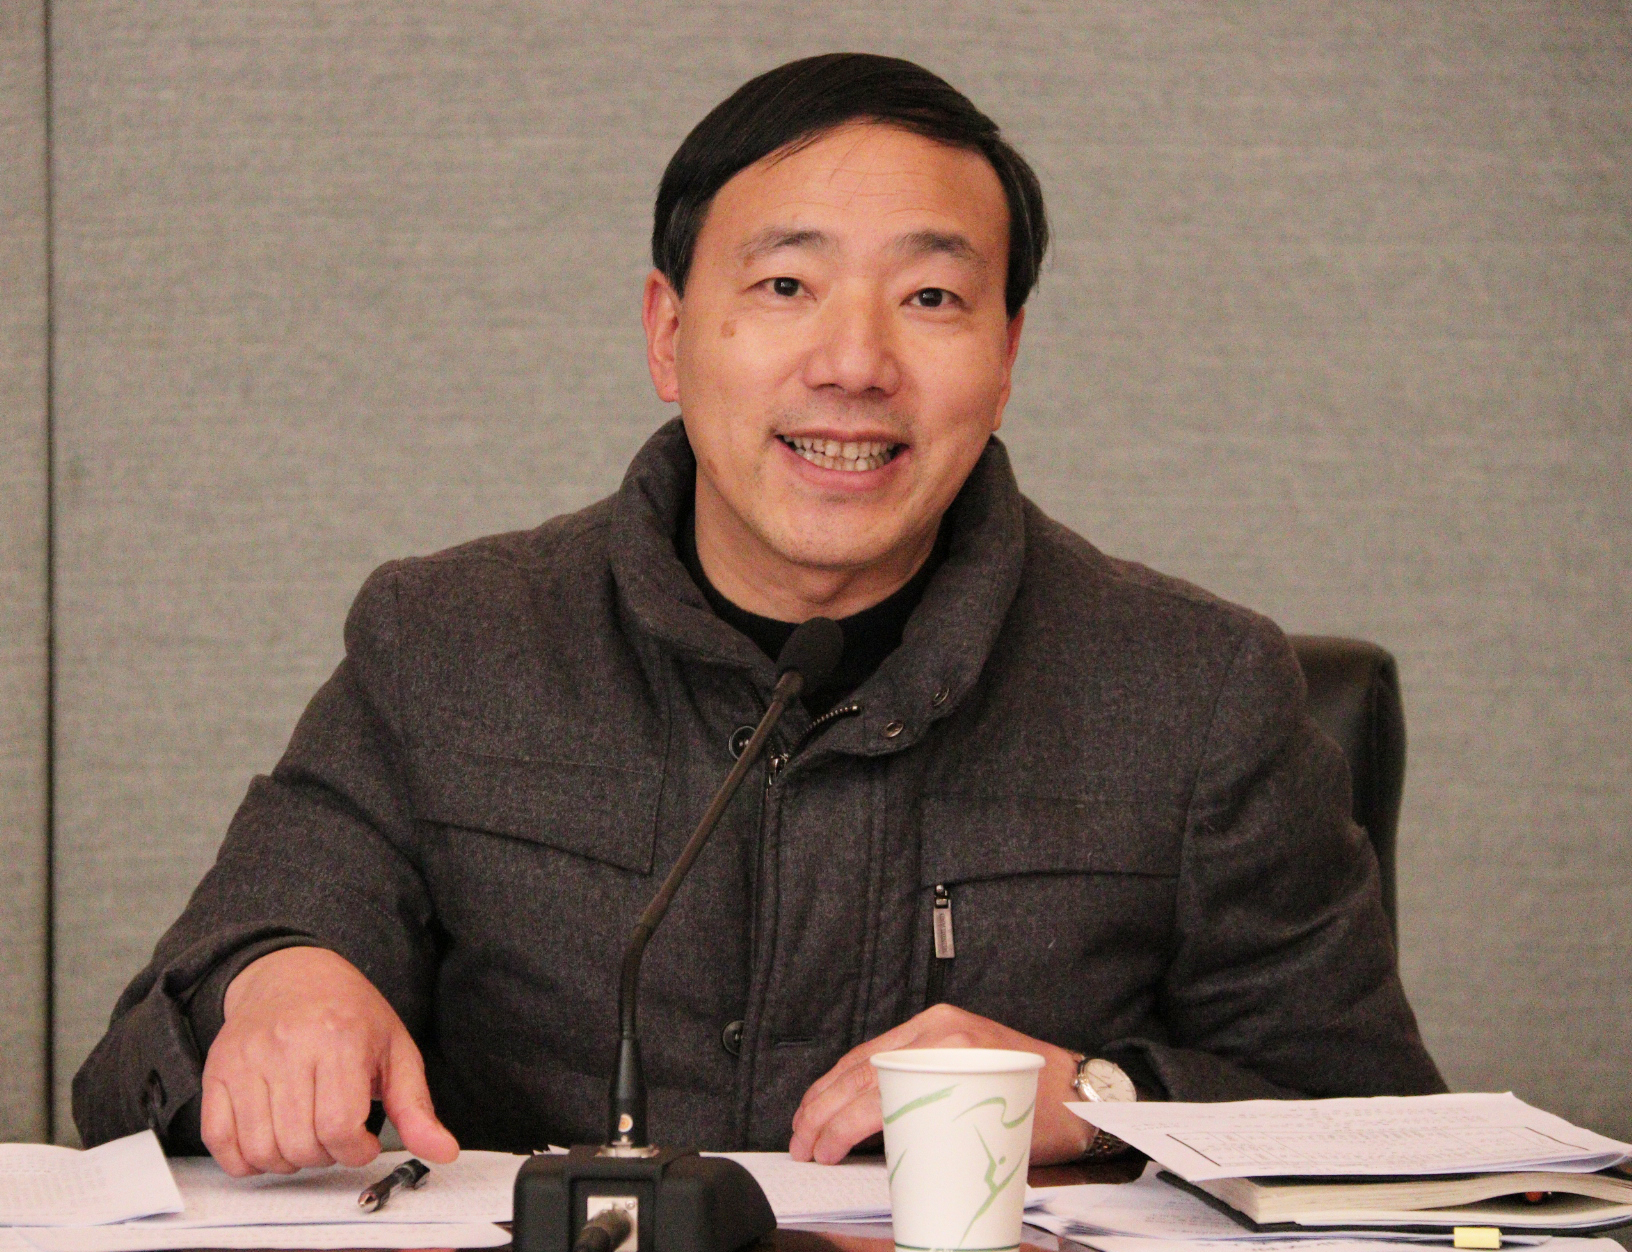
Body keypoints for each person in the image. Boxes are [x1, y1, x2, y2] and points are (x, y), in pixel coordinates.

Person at [73, 52, 1445, 1178]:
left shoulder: (1194, 692)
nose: (854, 363)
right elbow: (135, 1065)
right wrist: (278, 987)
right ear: (668, 335)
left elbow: (1387, 1136)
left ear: (1007, 357)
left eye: (931, 297)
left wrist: (1099, 1097)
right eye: (786, 286)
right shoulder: (448, 643)